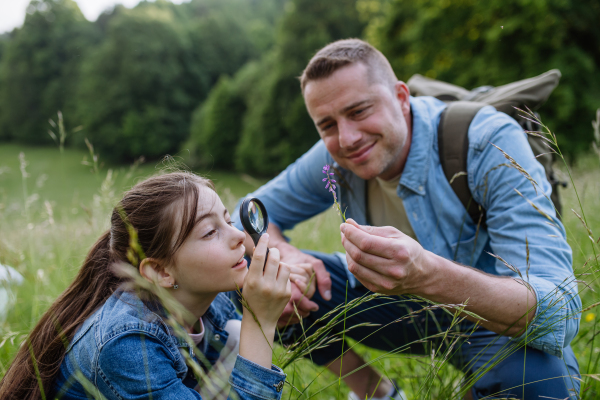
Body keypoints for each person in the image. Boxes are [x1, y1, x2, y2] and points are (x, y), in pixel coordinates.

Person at [234, 39, 582, 399]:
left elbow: (561, 312)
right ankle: (377, 393)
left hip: (492, 322)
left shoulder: (487, 140)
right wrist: (285, 258)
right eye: (327, 125)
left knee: (539, 386)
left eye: (358, 111)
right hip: (395, 312)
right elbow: (245, 214)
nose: (347, 138)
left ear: (401, 97)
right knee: (249, 268)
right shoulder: (334, 155)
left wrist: (428, 275)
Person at [0, 172, 317, 400]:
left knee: (234, 335)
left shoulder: (204, 294)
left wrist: (277, 297)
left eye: (229, 221)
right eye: (210, 232)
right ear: (160, 271)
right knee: (244, 334)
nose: (238, 237)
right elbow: (254, 337)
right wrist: (260, 321)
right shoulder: (125, 344)